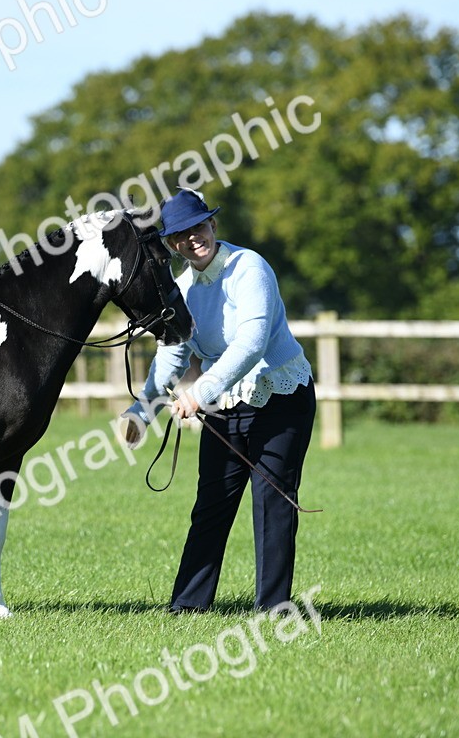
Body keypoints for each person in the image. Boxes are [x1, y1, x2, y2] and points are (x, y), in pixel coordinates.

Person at [124, 188, 316, 613]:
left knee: (272, 502)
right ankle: (187, 606)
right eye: (180, 234)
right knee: (211, 504)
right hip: (226, 403)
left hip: (280, 395)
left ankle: (272, 609)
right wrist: (144, 408)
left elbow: (252, 342)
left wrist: (200, 392)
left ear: (212, 224)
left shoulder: (250, 267)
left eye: (198, 226)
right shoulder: (182, 287)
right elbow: (173, 353)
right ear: (173, 245)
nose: (192, 237)